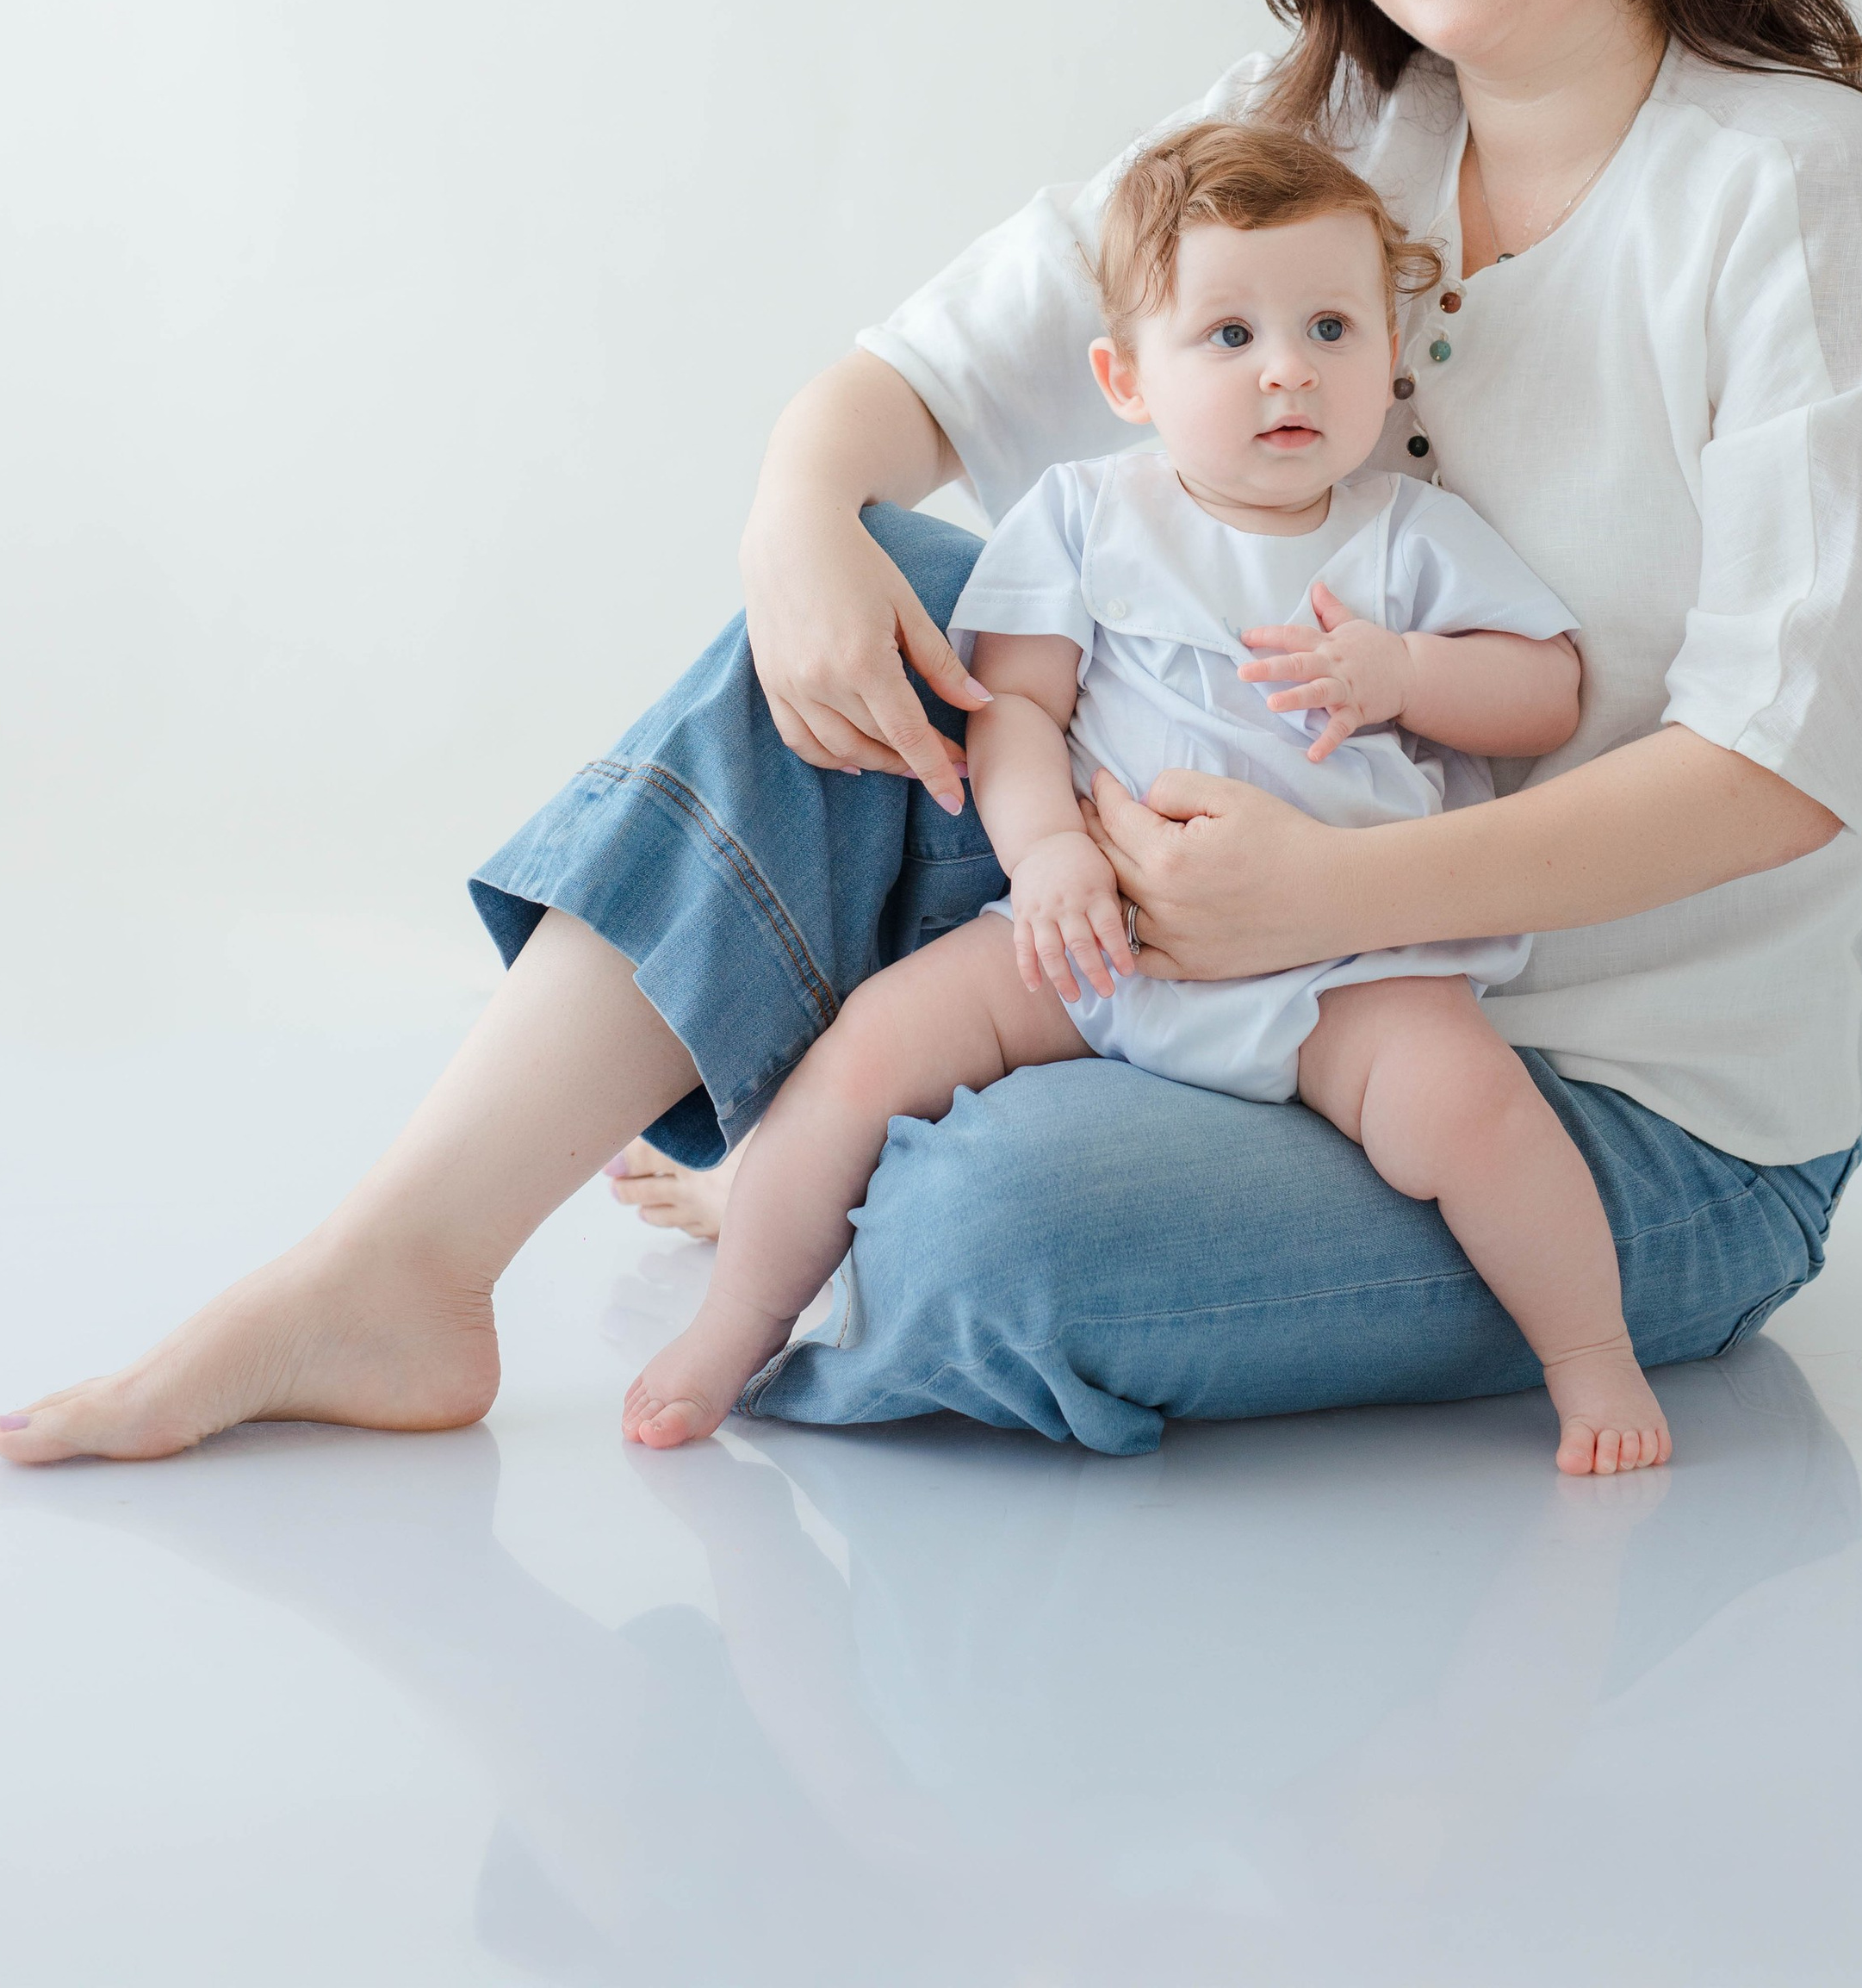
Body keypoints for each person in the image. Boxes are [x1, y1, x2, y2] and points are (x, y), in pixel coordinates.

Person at [0, 0, 1862, 1469]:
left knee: (1007, 1252)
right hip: (1192, 942)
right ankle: (399, 1274)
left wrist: (1328, 900)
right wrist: (799, 523)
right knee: (888, 571)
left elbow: (1780, 766)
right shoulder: (1317, 121)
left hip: (1609, 1107)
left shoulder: (1800, 201)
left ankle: (832, 1166)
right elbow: (911, 387)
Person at [624, 121, 1672, 1474]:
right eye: (1230, 336)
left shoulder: (1407, 536)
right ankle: (738, 1323)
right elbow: (1015, 715)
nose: (1289, 366)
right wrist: (1048, 853)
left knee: (1473, 1114)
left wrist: (1404, 672)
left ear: (1391, 355)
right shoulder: (1083, 516)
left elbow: (1548, 692)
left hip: (1343, 967)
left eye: (1333, 328)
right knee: (868, 1053)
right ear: (1127, 377)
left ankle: (1591, 1362)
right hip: (1096, 935)